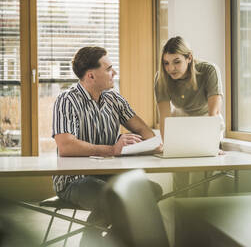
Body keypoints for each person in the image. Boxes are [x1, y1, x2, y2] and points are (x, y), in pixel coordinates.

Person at [52, 46, 162, 247]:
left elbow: (146, 133)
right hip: (74, 180)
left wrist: (142, 144)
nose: (115, 73)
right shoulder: (66, 100)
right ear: (91, 76)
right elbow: (66, 146)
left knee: (152, 190)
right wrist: (112, 149)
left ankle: (109, 242)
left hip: (109, 175)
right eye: (109, 69)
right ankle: (89, 243)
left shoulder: (114, 98)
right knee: (115, 199)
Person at [154, 36, 225, 197]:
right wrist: (168, 146)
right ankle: (180, 216)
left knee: (198, 176)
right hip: (180, 121)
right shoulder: (161, 78)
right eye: (166, 63)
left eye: (177, 61)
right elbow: (164, 116)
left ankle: (195, 215)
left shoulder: (209, 70)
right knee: (179, 174)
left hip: (207, 121)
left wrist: (212, 144)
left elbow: (213, 113)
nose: (171, 68)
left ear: (189, 58)